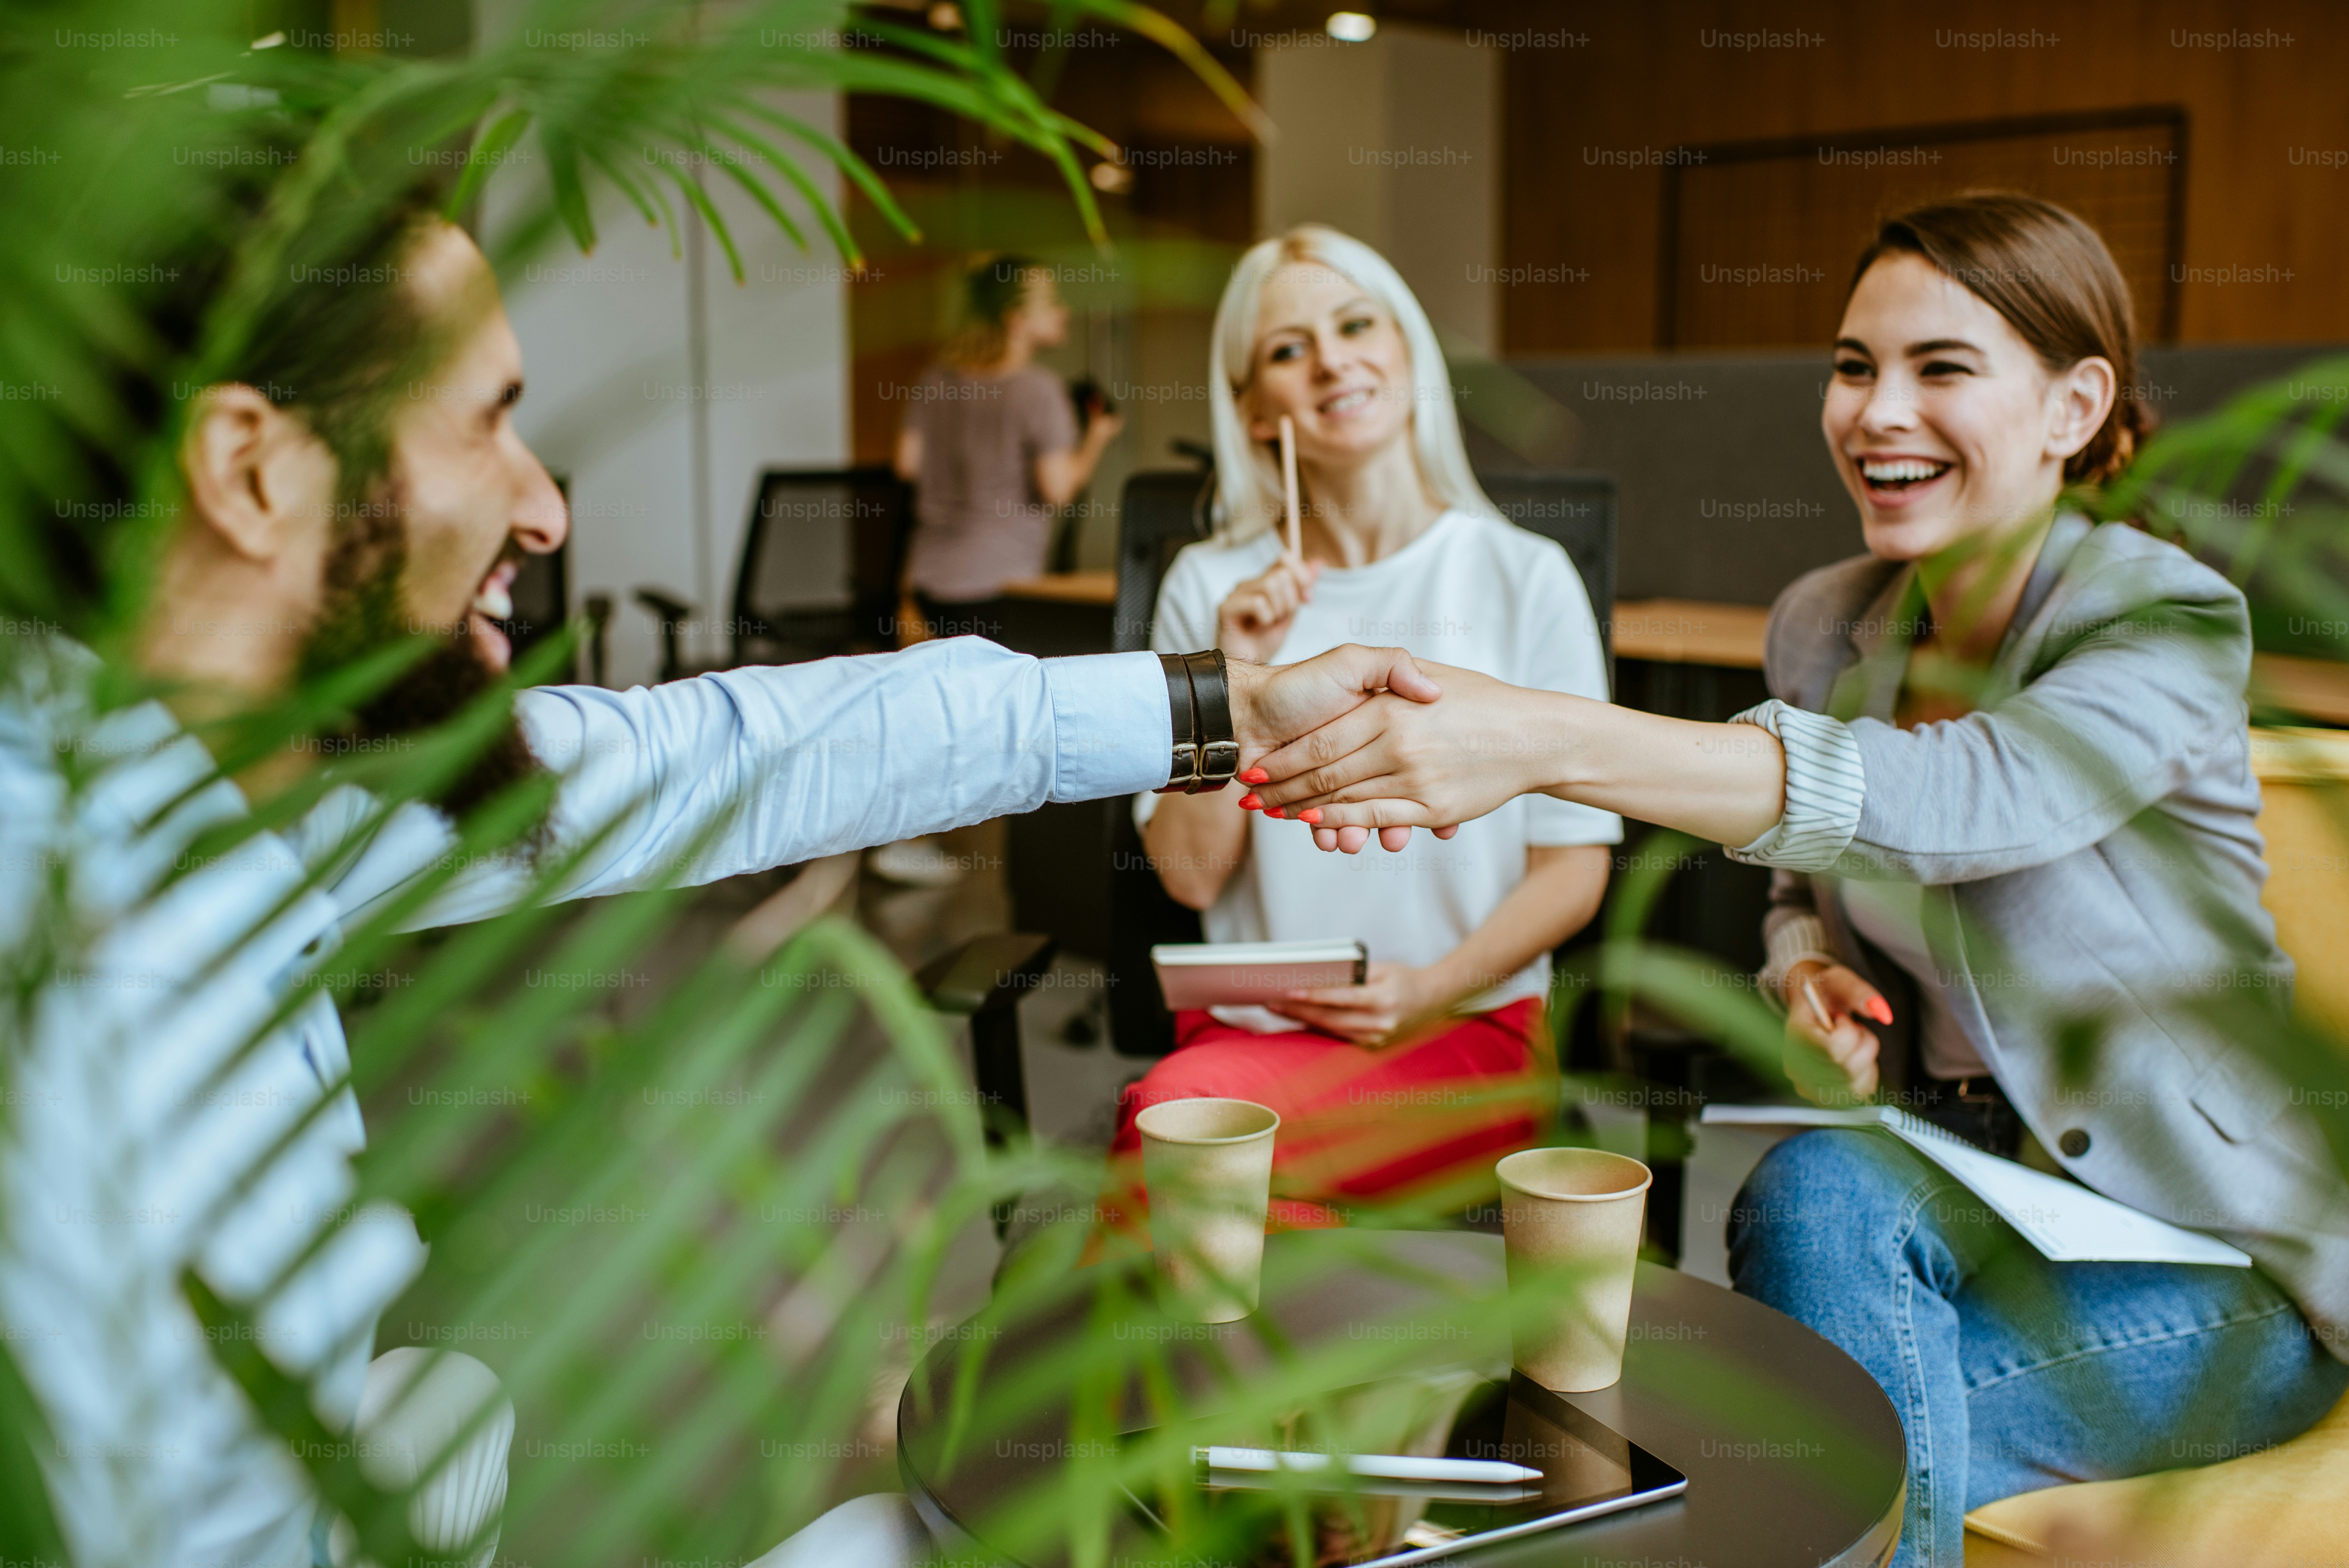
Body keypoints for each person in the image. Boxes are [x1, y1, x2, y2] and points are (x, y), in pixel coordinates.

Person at [0, 201, 1436, 1568]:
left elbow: (716, 751)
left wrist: (1218, 708)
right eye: (490, 421)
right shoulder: (110, 1022)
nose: (546, 508)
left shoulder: (219, 776)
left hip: (334, 1481)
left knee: (478, 1410)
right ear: (257, 475)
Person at [1239, 194, 2349, 1566]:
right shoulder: (1826, 620)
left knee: (1754, 1400)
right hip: (1955, 1192)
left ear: (2073, 406)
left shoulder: (2160, 615)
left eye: (1939, 369)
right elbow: (1799, 877)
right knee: (1766, 1329)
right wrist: (1801, 968)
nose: (1876, 411)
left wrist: (1535, 737)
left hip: (2212, 1263)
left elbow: (1956, 803)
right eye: (1851, 365)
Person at [1115, 225, 1615, 1216]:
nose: (1332, 359)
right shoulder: (1209, 585)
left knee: (1187, 1145)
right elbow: (1187, 873)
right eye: (1287, 349)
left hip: (1461, 1026)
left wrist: (1427, 987)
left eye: (1355, 324)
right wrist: (1222, 673)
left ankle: (1111, 1364)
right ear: (1254, 408)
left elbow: (1574, 867)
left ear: (1406, 352)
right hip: (1249, 1033)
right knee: (1216, 1163)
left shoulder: (1523, 577)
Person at [891, 253, 1124, 639]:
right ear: (1015, 320)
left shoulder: (933, 380)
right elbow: (1058, 489)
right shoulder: (1039, 390)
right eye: (1051, 303)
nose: (1063, 311)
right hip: (999, 588)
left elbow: (906, 464)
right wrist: (1096, 438)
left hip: (928, 584)